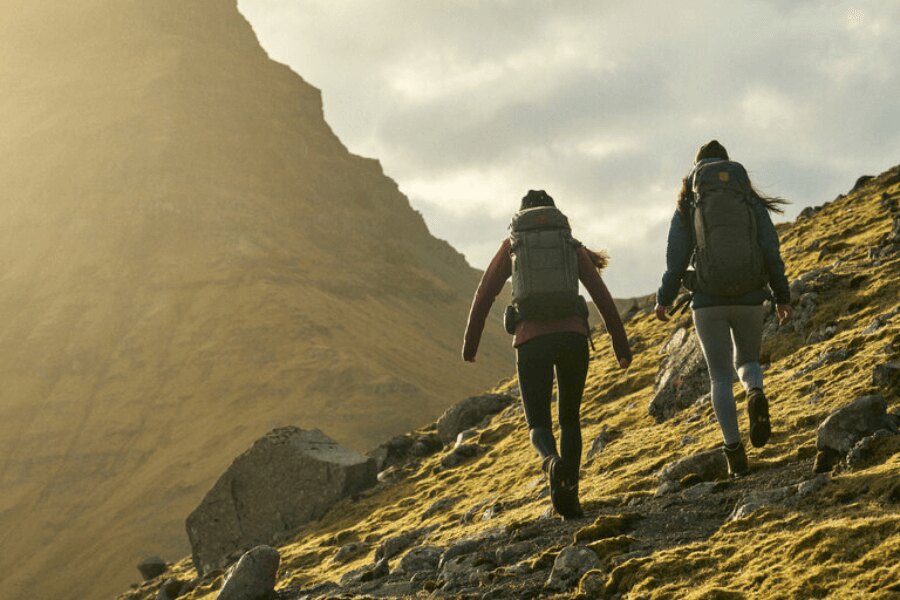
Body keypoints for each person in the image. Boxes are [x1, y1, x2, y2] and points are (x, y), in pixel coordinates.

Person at [462, 189, 632, 519]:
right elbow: (602, 297)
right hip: (572, 339)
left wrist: (470, 345)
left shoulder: (514, 245)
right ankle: (570, 496)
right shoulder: (570, 244)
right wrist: (621, 348)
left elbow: (484, 296)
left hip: (531, 341)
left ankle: (551, 463)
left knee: (538, 424)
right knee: (570, 419)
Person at [655, 140, 793, 477]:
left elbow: (675, 261)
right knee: (747, 362)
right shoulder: (747, 199)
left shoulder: (690, 202)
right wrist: (782, 296)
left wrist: (664, 298)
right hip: (749, 296)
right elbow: (770, 251)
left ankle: (734, 452)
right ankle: (755, 391)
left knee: (719, 376)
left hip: (707, 301)